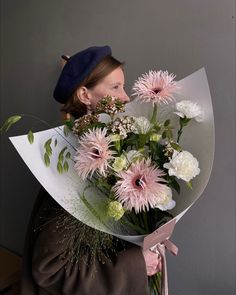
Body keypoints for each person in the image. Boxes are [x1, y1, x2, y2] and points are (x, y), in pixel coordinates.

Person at [21, 46, 162, 295]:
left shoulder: (115, 151)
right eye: (115, 87)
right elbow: (49, 269)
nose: (127, 97)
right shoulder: (77, 167)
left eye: (123, 86)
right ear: (85, 95)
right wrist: (136, 263)